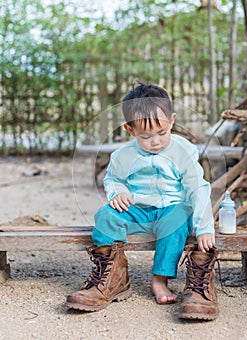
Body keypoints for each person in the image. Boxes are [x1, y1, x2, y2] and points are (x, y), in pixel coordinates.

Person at [66, 82, 219, 320]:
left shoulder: (183, 151)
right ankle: (113, 275)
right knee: (105, 215)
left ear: (172, 121)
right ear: (130, 129)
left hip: (171, 210)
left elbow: (197, 188)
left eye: (162, 133)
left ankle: (160, 280)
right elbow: (113, 179)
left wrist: (204, 227)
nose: (155, 142)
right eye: (146, 136)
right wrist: (118, 192)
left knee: (178, 217)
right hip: (138, 211)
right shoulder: (123, 156)